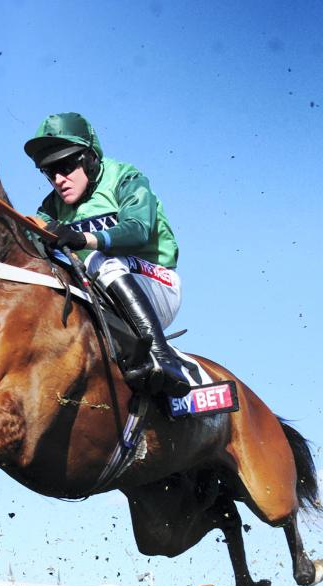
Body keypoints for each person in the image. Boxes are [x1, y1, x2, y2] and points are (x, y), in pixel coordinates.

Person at [24, 112, 190, 398]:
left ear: (89, 159)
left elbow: (138, 229)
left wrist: (85, 239)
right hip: (101, 295)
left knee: (100, 260)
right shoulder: (51, 207)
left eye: (65, 167)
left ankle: (163, 358)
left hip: (156, 284)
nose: (59, 180)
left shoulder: (126, 178)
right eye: (50, 172)